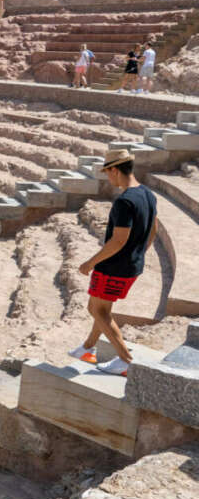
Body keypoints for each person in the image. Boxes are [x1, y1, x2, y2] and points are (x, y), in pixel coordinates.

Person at [70, 150, 158, 376]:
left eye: (107, 173)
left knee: (97, 310)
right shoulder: (148, 194)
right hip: (130, 266)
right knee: (100, 308)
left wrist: (90, 263)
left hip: (113, 268)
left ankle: (126, 360)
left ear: (114, 170)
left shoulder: (124, 202)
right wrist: (137, 254)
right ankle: (87, 348)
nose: (108, 178)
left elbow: (118, 240)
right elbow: (153, 229)